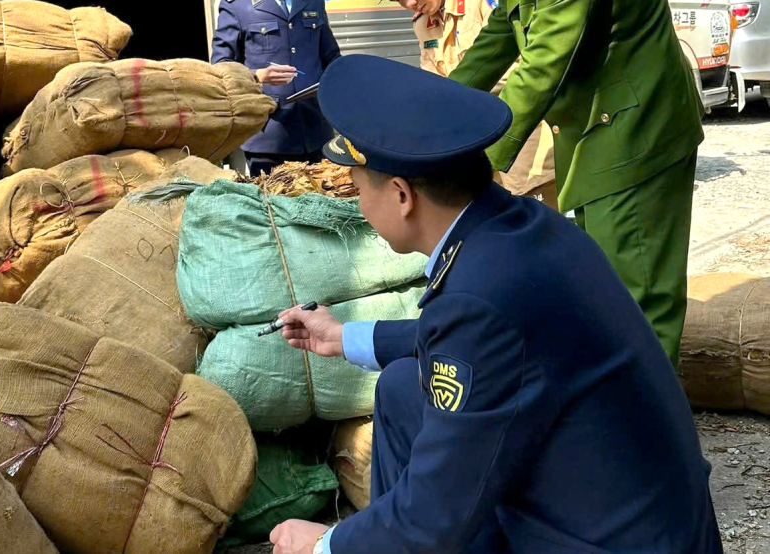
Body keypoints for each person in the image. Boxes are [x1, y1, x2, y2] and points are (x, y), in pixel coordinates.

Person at [268, 53, 722, 554]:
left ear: (401, 195)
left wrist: (327, 544)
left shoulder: (480, 296)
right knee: (402, 388)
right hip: (636, 503)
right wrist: (344, 336)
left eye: (358, 189)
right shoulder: (519, 228)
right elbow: (483, 348)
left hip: (607, 541)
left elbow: (434, 515)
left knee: (412, 522)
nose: (358, 204)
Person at [398, 0, 704, 366]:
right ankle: (614, 422)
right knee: (601, 295)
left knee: (638, 300)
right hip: (597, 138)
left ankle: (653, 440)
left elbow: (543, 62)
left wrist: (477, 161)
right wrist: (426, 121)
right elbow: (496, 44)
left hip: (637, 136)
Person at [347, 0, 556, 206]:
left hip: (527, 154)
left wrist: (449, 100)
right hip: (476, 161)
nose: (409, 4)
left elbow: (519, 68)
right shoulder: (424, 21)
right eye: (398, 0)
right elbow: (434, 82)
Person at [211, 0, 341, 177]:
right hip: (268, 135)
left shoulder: (313, 0)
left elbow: (331, 58)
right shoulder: (237, 6)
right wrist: (258, 76)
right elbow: (221, 68)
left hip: (316, 130)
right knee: (275, 211)